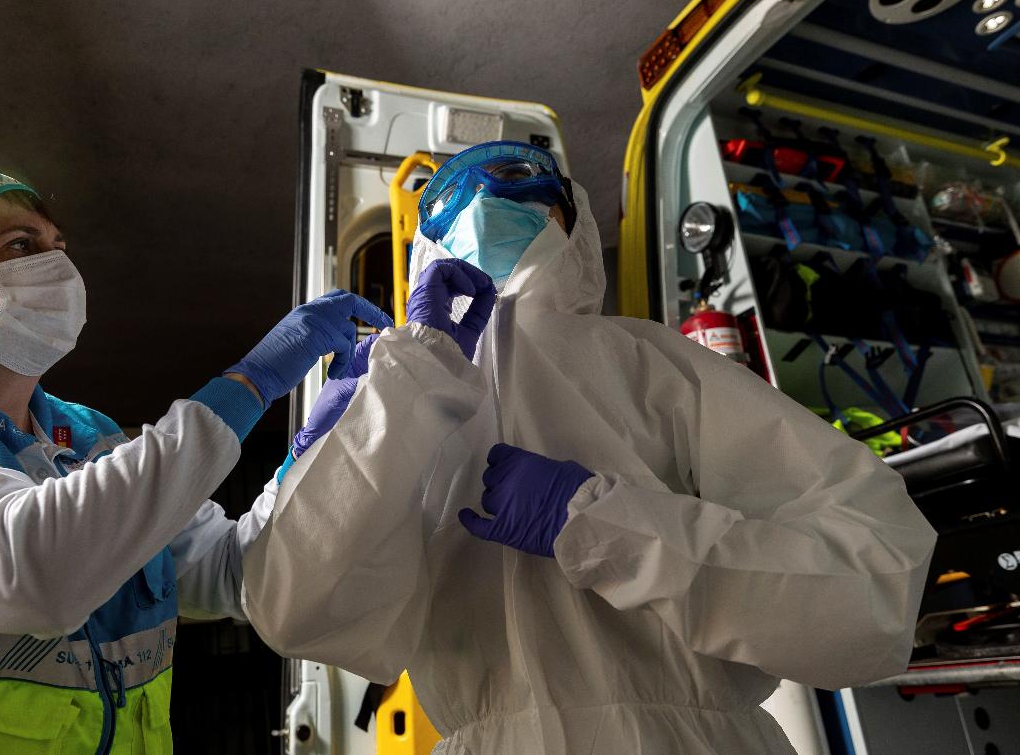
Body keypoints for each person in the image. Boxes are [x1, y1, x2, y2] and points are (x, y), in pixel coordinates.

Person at [242, 141, 938, 754]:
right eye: (449, 201)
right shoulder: (404, 397)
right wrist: (379, 411)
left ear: (573, 224)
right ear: (428, 250)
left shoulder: (652, 363)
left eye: (518, 181)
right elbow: (295, 612)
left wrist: (602, 525)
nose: (482, 205)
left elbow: (875, 590)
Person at [0, 157, 390, 754]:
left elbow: (235, 572)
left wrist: (319, 452)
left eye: (57, 245)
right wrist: (248, 387)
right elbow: (34, 576)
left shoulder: (87, 439)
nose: (57, 267)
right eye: (20, 246)